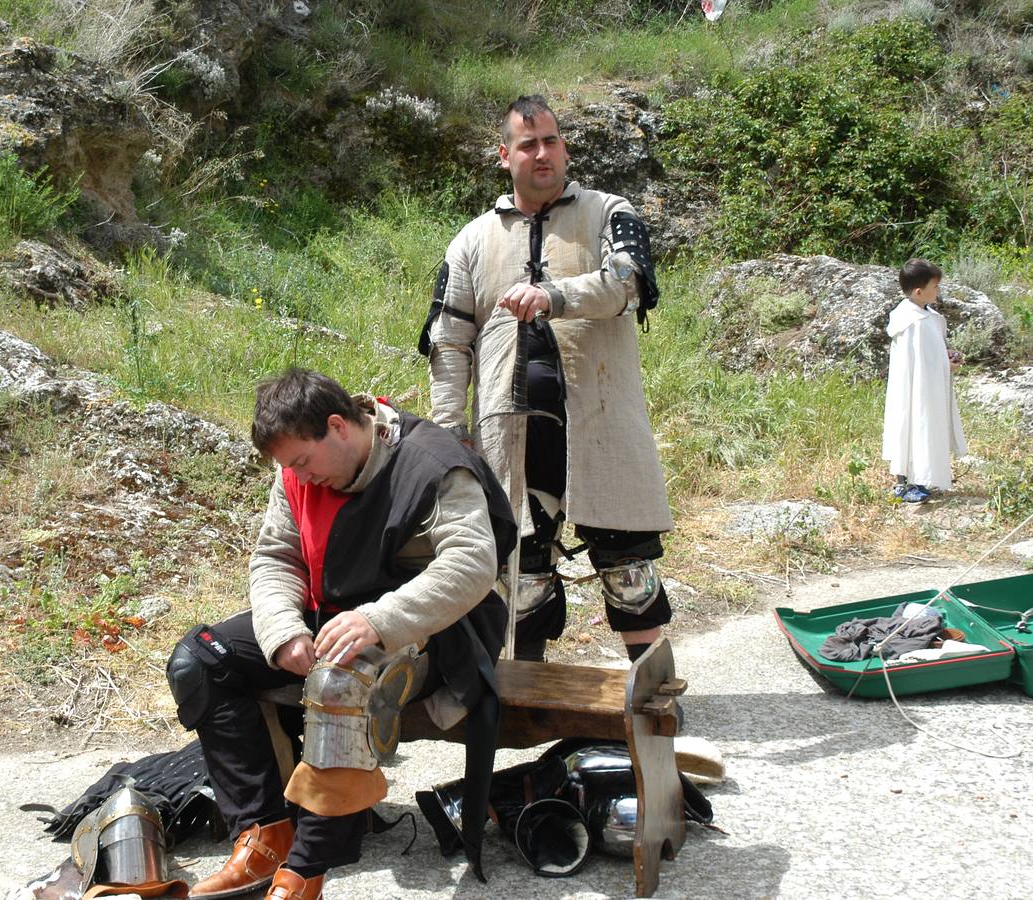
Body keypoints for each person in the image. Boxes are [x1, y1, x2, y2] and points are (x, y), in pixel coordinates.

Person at [166, 369, 515, 900]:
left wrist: (377, 620)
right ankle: (264, 832)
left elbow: (471, 565)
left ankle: (307, 871)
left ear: (338, 426)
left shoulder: (432, 463)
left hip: (435, 631)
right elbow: (277, 557)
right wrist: (283, 632)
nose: (299, 479)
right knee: (201, 659)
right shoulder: (298, 471)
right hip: (334, 617)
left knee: (337, 682)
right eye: (289, 468)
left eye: (303, 462)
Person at [418, 94, 674, 663]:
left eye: (551, 141)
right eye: (528, 144)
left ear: (564, 148)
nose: (542, 154)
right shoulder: (472, 240)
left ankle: (655, 695)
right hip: (509, 431)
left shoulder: (609, 211)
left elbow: (626, 284)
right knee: (522, 570)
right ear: (504, 155)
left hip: (599, 418)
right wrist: (447, 427)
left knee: (627, 563)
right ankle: (530, 699)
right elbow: (448, 339)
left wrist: (556, 295)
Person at [882, 258, 968, 504]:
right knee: (911, 425)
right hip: (914, 389)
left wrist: (947, 356)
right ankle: (906, 483)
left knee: (923, 427)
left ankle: (920, 478)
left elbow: (932, 353)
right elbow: (915, 361)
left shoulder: (927, 316)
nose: (938, 291)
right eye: (935, 287)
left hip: (927, 388)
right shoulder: (911, 322)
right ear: (919, 291)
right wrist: (945, 364)